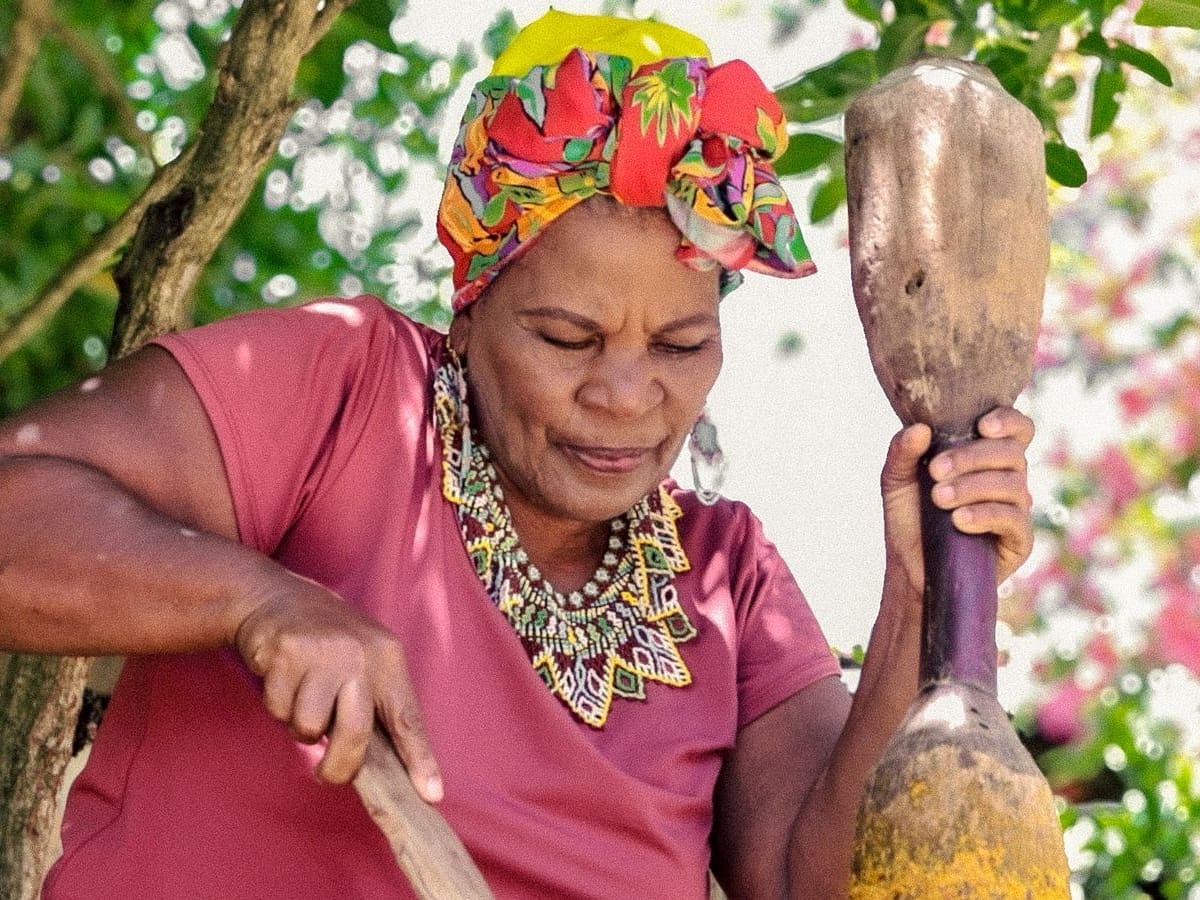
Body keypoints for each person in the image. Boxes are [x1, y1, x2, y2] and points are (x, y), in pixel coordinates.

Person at [0, 11, 1035, 899]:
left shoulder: (726, 576)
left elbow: (821, 878)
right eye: (566, 339)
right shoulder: (344, 390)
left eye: (679, 346)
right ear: (471, 307)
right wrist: (257, 602)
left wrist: (918, 591)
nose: (626, 396)